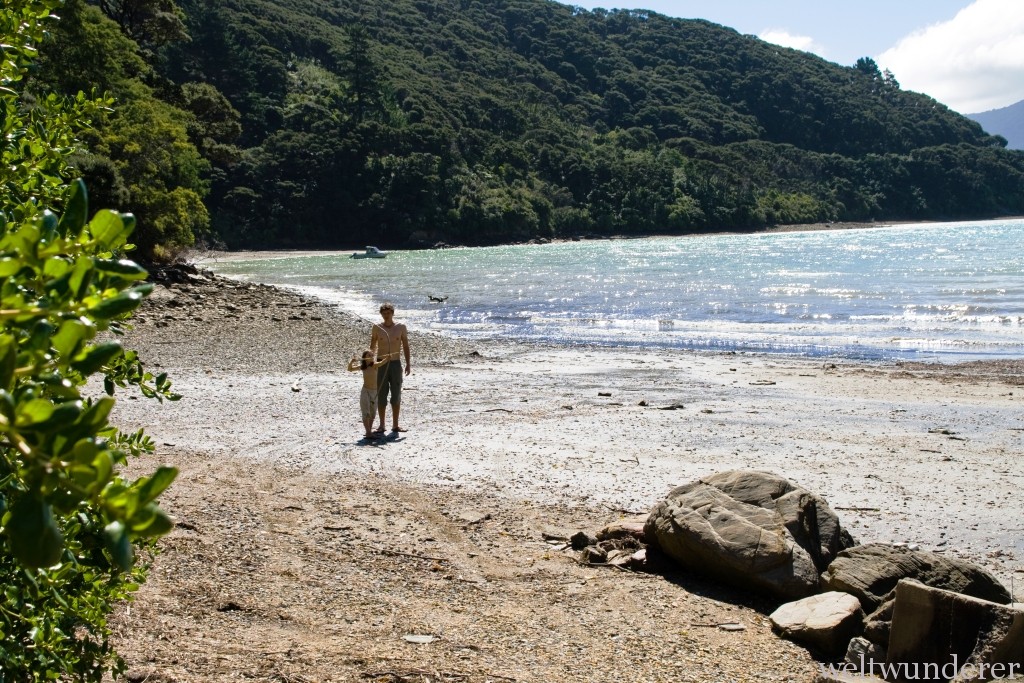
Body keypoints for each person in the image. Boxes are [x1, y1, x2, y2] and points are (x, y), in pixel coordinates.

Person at [370, 302, 411, 434]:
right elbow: (372, 347)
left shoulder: (401, 327)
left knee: (396, 394)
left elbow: (405, 345)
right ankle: (382, 425)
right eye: (384, 313)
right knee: (381, 395)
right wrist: (370, 364)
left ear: (392, 313)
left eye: (388, 313)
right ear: (381, 314)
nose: (386, 316)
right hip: (381, 363)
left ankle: (395, 425)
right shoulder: (377, 327)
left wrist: (408, 363)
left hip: (395, 363)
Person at [347, 349, 388, 440]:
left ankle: (369, 431)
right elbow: (350, 369)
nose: (371, 356)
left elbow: (381, 363)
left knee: (373, 412)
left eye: (371, 355)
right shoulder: (363, 367)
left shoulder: (374, 365)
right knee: (366, 411)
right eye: (368, 355)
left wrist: (387, 358)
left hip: (375, 391)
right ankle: (368, 432)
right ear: (364, 358)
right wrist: (351, 362)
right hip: (365, 390)